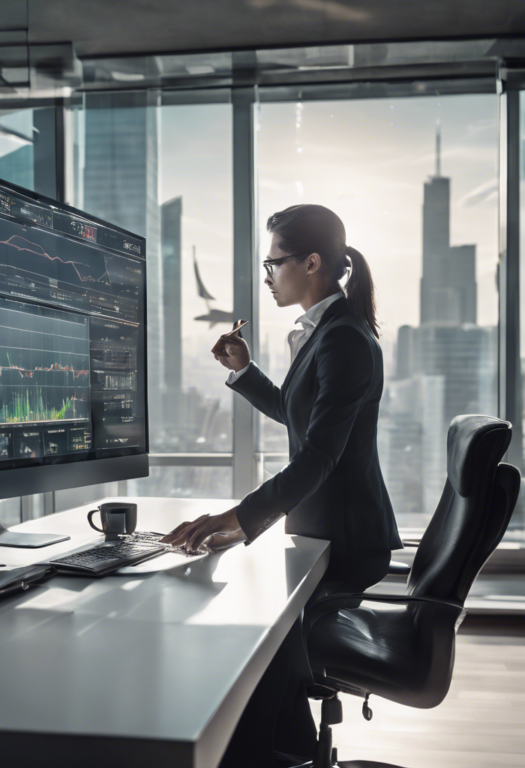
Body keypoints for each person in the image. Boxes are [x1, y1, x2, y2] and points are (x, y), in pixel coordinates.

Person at [161, 204, 403, 767]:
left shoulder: (343, 339)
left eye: (274, 263)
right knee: (259, 631)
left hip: (344, 537)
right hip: (323, 527)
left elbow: (318, 456)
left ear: (311, 262)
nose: (267, 276)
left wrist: (237, 519)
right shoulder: (328, 333)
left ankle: (268, 752)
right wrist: (245, 372)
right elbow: (300, 418)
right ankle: (277, 750)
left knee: (260, 644)